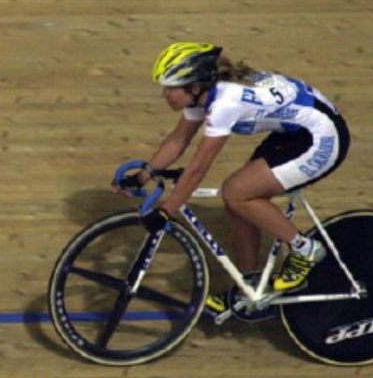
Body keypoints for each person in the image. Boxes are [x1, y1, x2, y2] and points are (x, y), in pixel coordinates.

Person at [129, 42, 350, 310]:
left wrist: (167, 210)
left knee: (237, 192)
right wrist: (143, 175)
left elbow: (198, 168)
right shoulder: (202, 94)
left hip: (322, 137)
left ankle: (305, 249)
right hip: (293, 133)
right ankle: (250, 287)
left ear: (195, 86)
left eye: (170, 88)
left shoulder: (226, 103)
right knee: (236, 200)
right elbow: (178, 141)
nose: (164, 94)